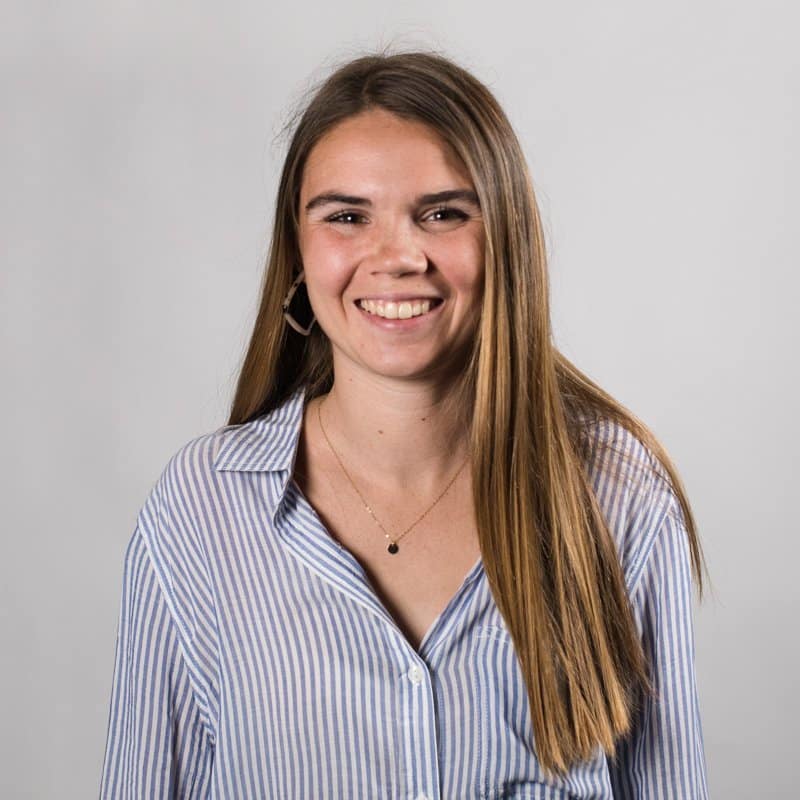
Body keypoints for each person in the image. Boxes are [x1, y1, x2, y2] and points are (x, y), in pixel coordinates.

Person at [100, 51, 708, 799]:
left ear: (506, 240)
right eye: (347, 217)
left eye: (443, 214)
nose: (396, 257)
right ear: (298, 251)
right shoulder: (202, 509)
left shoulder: (617, 496)